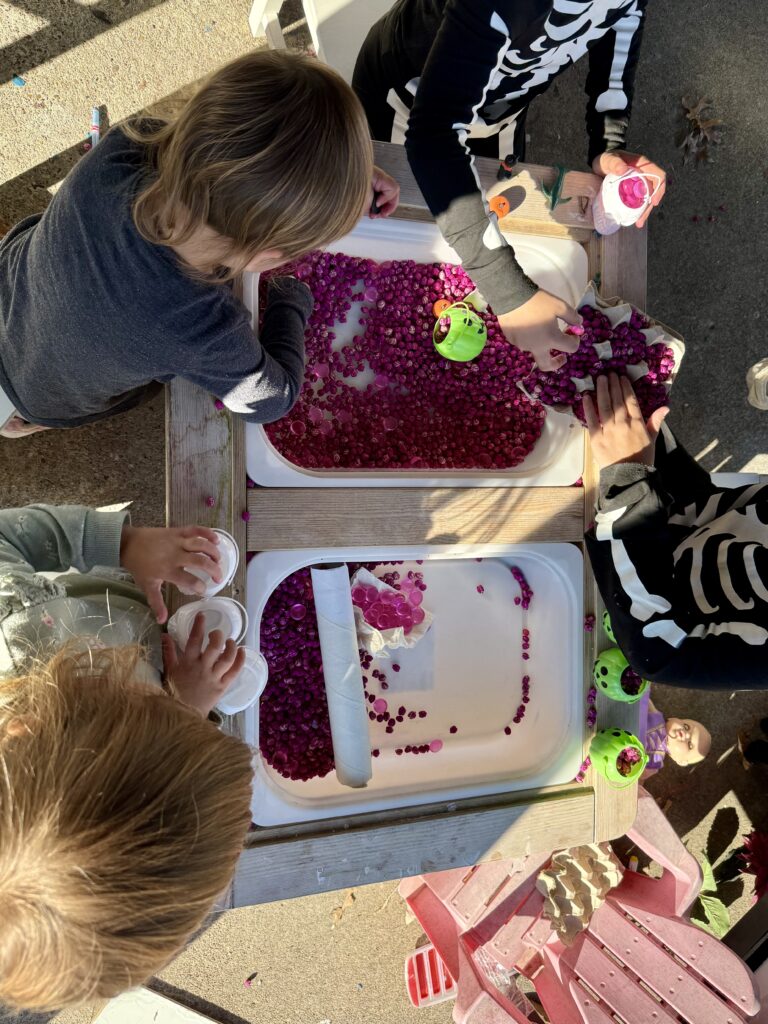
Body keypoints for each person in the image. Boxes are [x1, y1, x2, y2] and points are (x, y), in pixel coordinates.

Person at [0, 50, 398, 438]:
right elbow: (272, 401)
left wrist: (342, 181)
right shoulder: (198, 326)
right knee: (79, 392)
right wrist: (290, 303)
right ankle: (30, 416)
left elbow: (231, 152)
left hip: (13, 280)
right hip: (38, 389)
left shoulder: (119, 149)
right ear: (267, 257)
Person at [0, 504, 254, 1010]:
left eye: (160, 711)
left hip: (82, 587)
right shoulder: (71, 729)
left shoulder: (10, 623)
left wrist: (122, 544)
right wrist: (188, 703)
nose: (157, 694)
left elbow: (12, 536)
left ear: (23, 729)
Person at [352, 0, 665, 371]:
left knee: (498, 216)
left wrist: (609, 141)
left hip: (498, 108)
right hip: (410, 99)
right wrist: (508, 292)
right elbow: (434, 137)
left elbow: (623, 18)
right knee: (397, 230)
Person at [583, 374, 768, 688]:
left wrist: (628, 482)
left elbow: (661, 657)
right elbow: (707, 505)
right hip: (636, 519)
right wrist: (646, 433)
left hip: (614, 597)